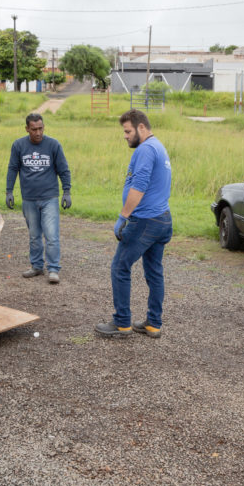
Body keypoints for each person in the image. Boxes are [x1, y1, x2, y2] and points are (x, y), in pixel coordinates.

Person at [95, 109, 172, 339]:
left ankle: (122, 323)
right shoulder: (159, 146)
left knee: (120, 267)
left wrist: (123, 216)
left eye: (128, 131)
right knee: (154, 272)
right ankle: (153, 324)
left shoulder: (146, 149)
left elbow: (139, 186)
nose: (125, 136)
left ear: (141, 127)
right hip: (162, 218)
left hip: (145, 221)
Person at [5, 113, 72, 284]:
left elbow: (63, 169)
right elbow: (13, 168)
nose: (38, 133)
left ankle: (53, 269)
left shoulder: (53, 145)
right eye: (34, 129)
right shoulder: (19, 145)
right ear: (27, 129)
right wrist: (9, 191)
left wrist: (66, 191)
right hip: (29, 198)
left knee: (51, 235)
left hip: (49, 197)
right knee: (34, 236)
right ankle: (36, 266)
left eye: (40, 128)